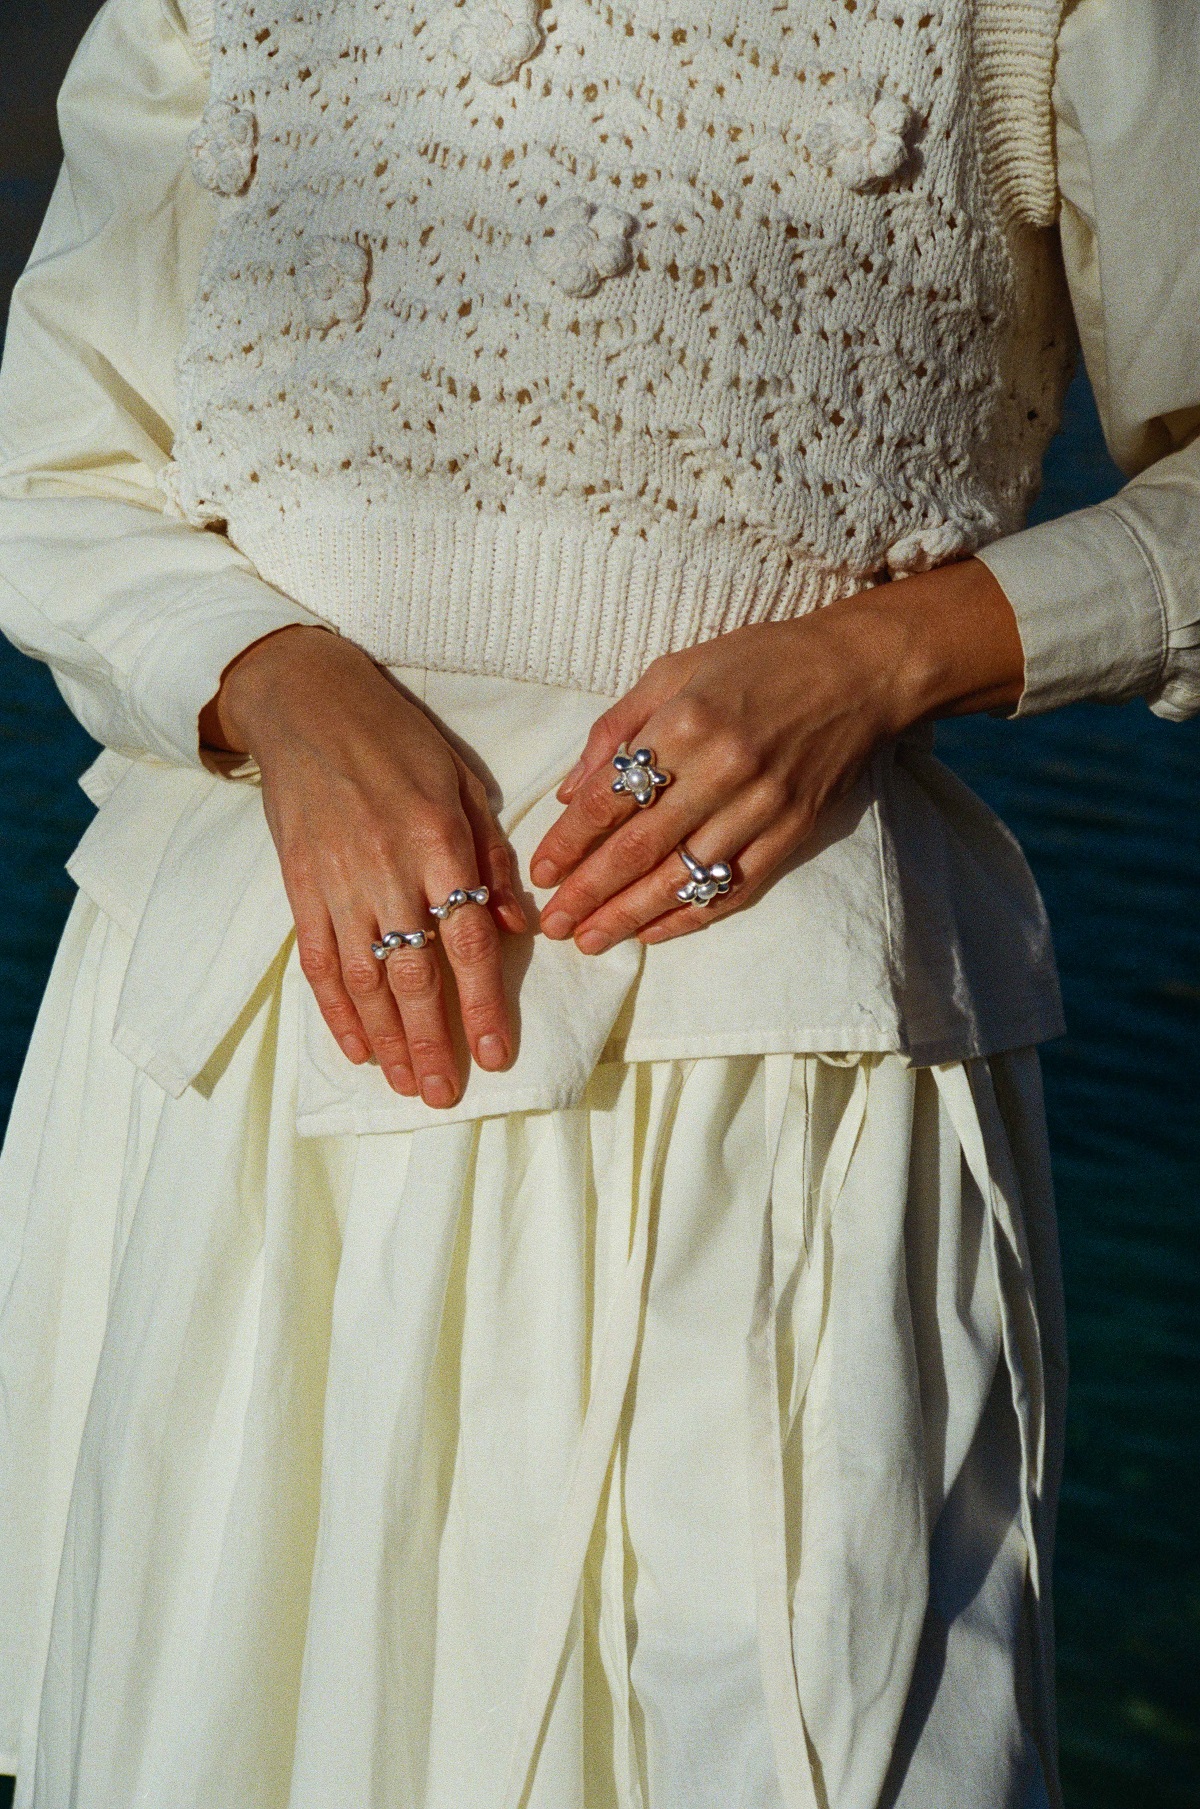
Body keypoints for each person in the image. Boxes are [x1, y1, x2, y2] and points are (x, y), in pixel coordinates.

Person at [0, 1, 1197, 1804]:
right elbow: (49, 460)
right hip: (249, 1061)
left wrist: (877, 660)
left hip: (762, 1094)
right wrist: (269, 681)